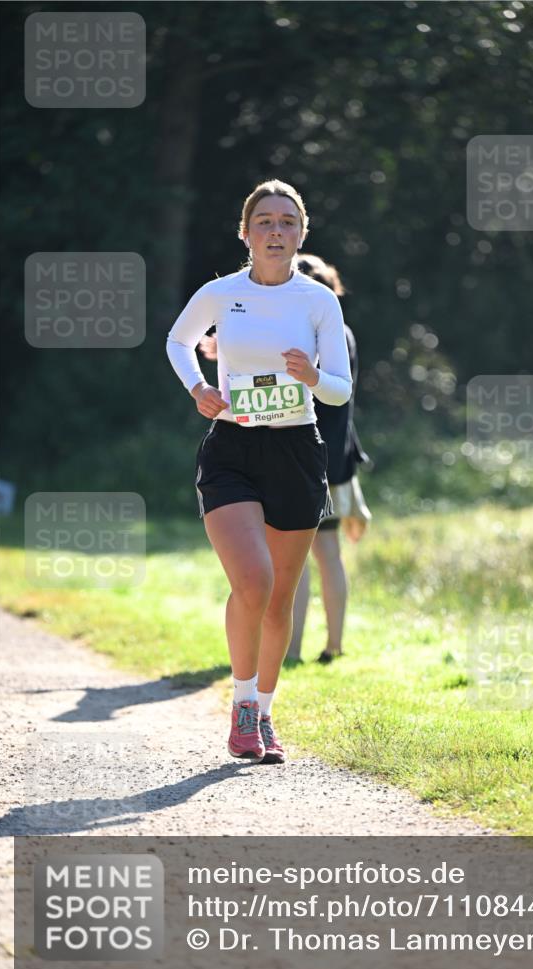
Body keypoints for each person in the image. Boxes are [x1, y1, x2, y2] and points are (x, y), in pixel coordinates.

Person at [165, 179, 352, 764]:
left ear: (302, 233)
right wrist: (198, 387)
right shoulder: (220, 293)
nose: (276, 231)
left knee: (278, 600)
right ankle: (242, 709)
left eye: (287, 222)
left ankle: (265, 713)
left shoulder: (319, 301)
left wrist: (311, 376)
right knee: (252, 579)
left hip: (297, 451)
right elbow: (177, 340)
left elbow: (341, 392)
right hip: (233, 451)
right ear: (245, 233)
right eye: (265, 221)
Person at [285, 254, 371, 665]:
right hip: (337, 462)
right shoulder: (348, 333)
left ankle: (292, 651)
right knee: (329, 556)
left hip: (305, 460)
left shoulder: (311, 334)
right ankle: (333, 646)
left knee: (295, 559)